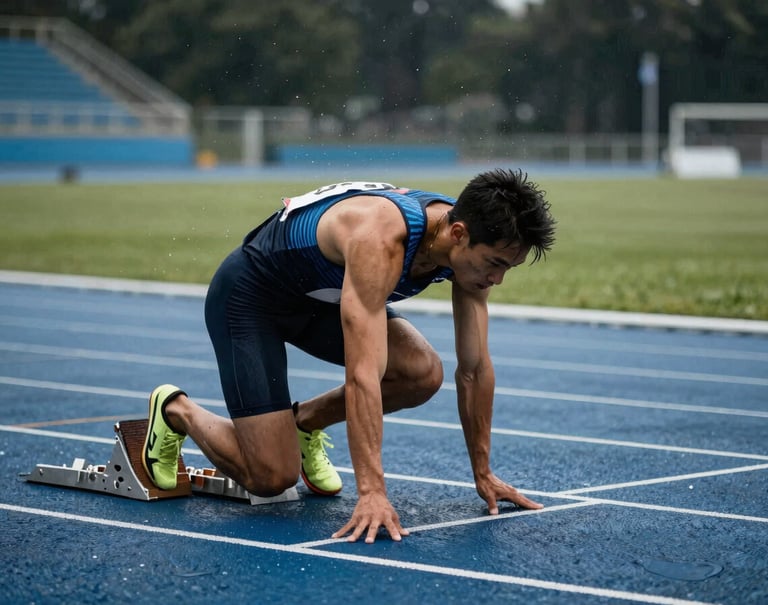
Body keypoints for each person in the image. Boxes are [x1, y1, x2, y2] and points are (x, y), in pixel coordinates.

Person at [141, 168, 556, 544]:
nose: (496, 280)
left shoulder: (466, 244)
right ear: (459, 234)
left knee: (422, 372)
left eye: (508, 269)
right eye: (495, 264)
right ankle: (177, 410)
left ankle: (302, 425)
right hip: (251, 300)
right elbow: (363, 375)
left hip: (319, 301)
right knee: (270, 477)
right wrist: (372, 492)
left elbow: (475, 368)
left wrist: (482, 473)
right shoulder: (382, 238)